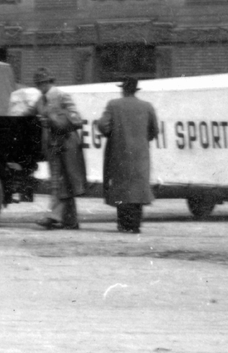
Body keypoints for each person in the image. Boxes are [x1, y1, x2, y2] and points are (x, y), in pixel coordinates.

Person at [97, 77, 160, 234]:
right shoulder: (147, 106)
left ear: (123, 89)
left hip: (119, 152)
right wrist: (143, 139)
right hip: (140, 154)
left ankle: (123, 224)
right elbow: (154, 130)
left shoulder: (113, 105)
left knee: (121, 188)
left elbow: (102, 125)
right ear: (135, 90)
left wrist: (112, 134)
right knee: (138, 189)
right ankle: (135, 224)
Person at [33, 67, 87, 230]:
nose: (41, 87)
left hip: (65, 144)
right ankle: (70, 221)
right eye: (39, 84)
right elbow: (30, 113)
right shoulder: (40, 101)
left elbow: (76, 118)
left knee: (60, 181)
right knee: (64, 182)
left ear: (49, 82)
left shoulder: (62, 96)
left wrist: (55, 119)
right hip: (52, 146)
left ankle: (53, 216)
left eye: (43, 83)